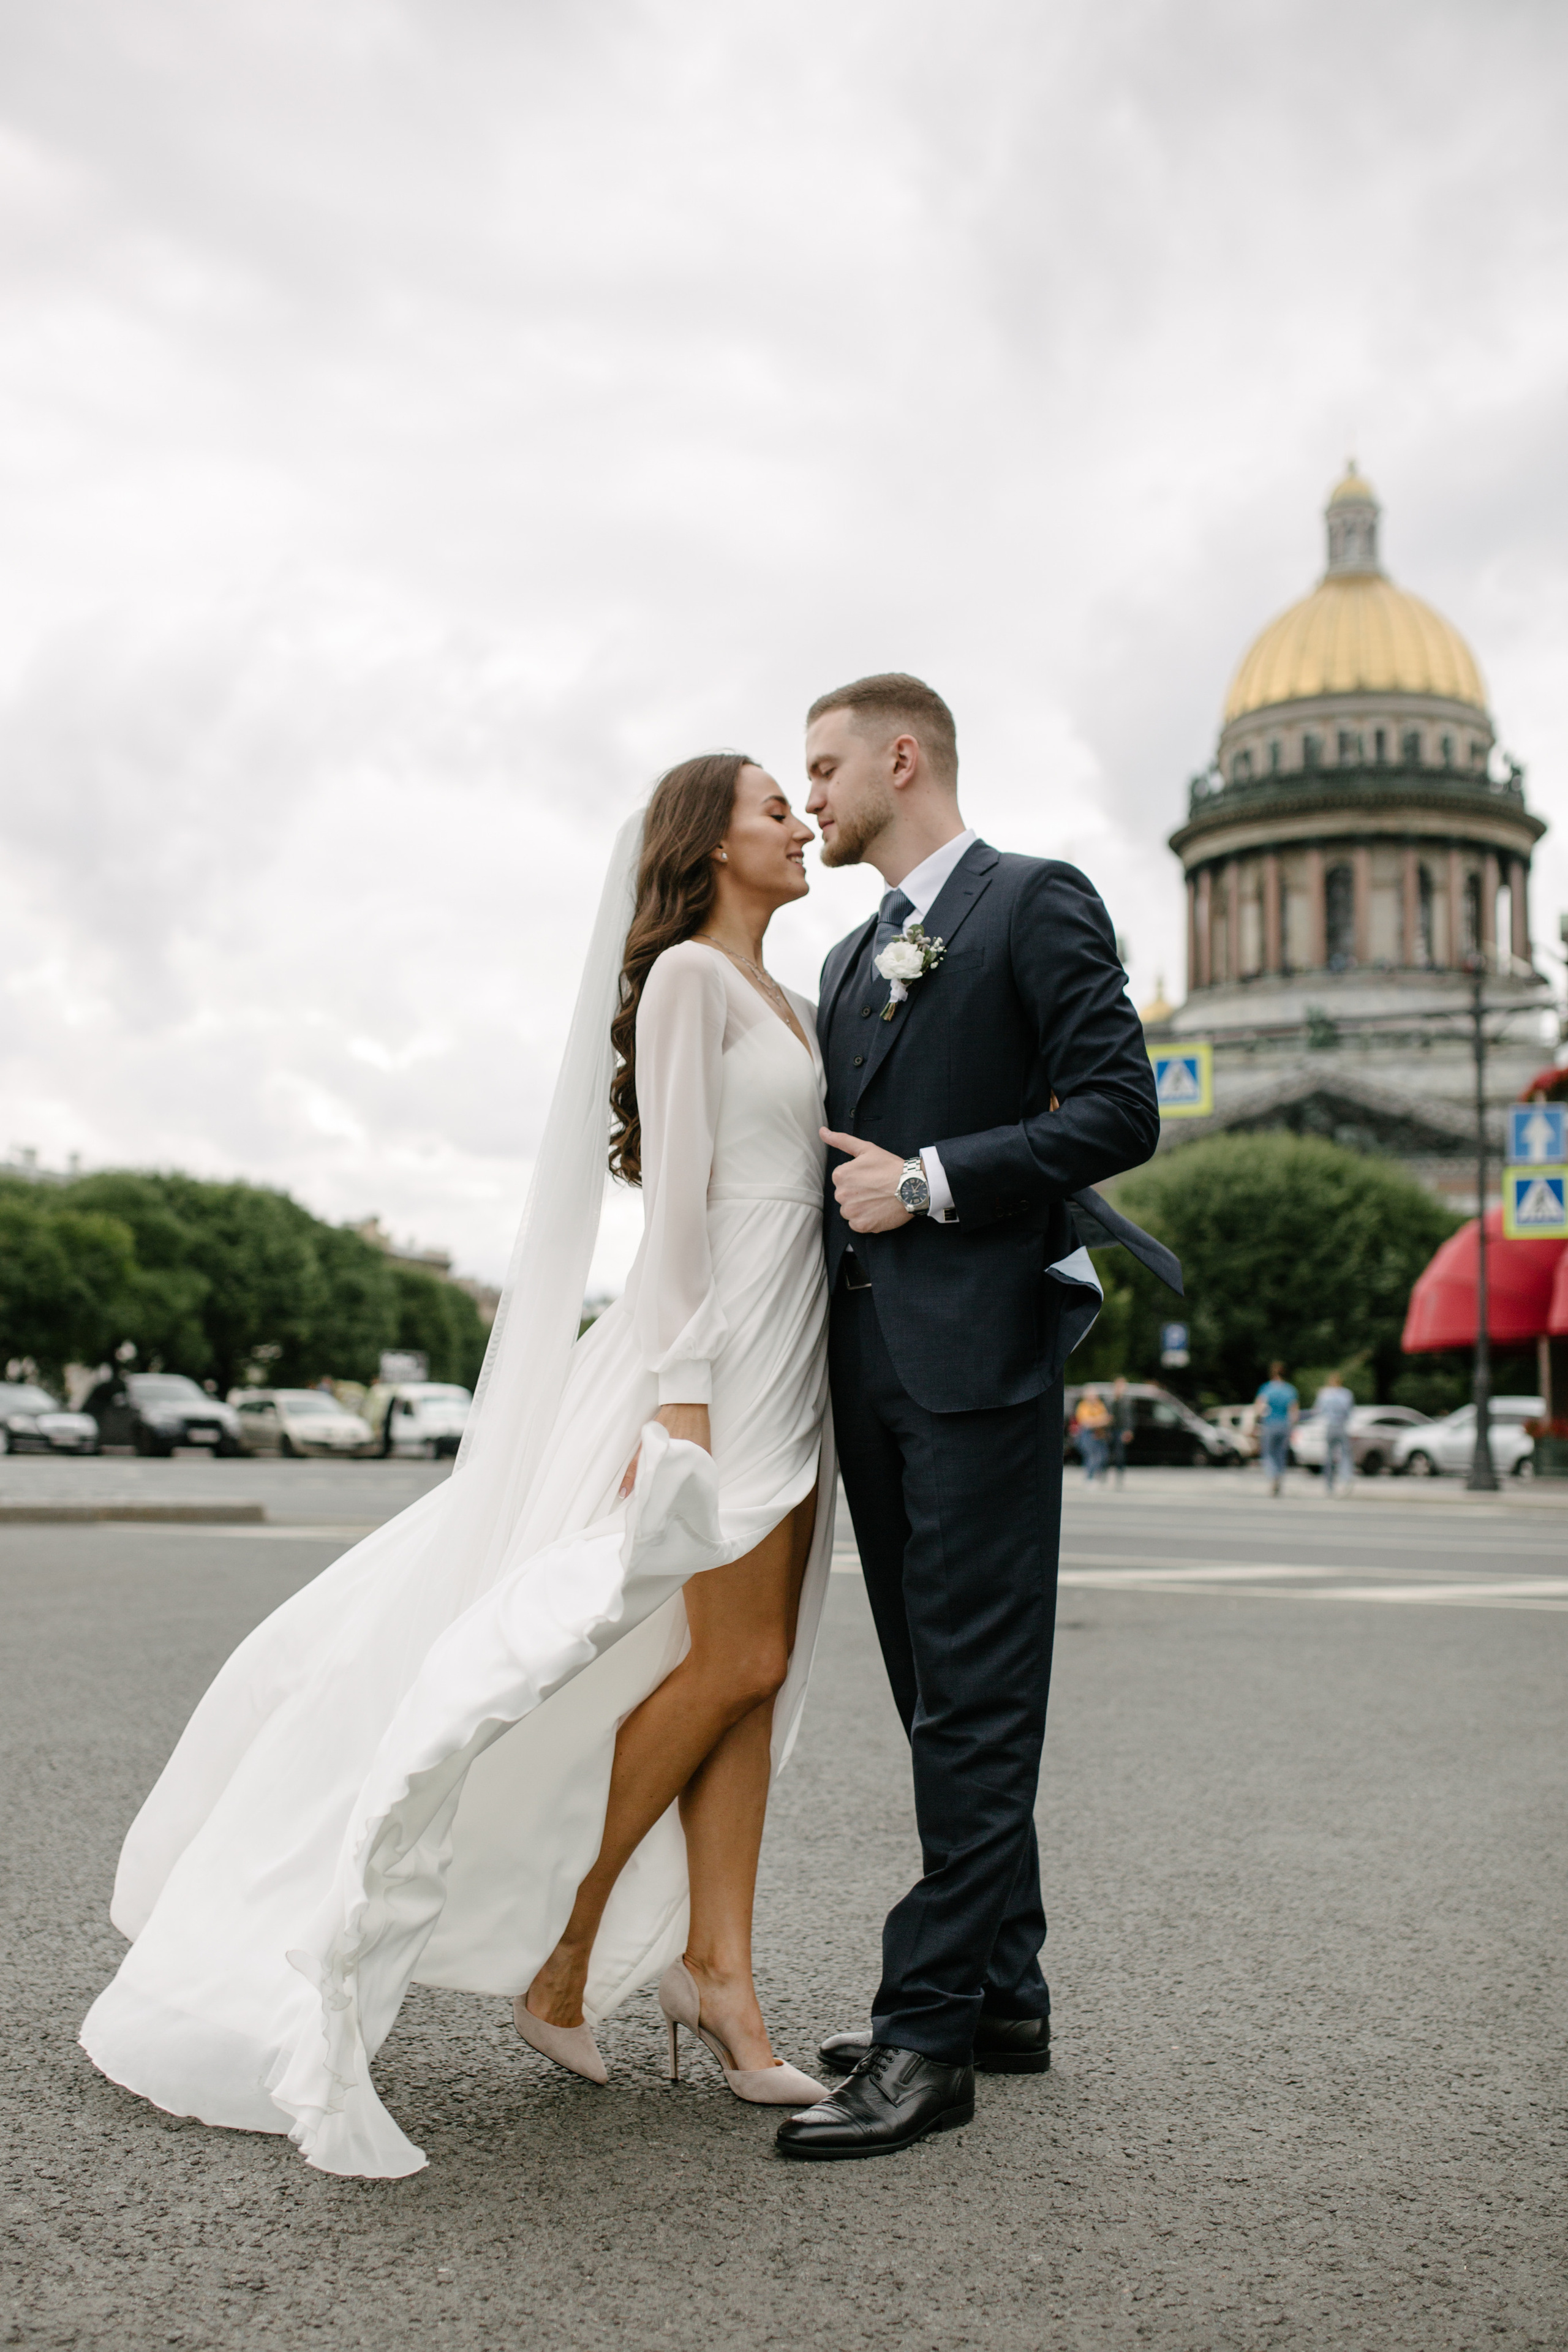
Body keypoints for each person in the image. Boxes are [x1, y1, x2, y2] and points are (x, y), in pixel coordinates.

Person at [80, 752, 834, 2178]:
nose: (798, 822)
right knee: (728, 1663)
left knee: (751, 1668)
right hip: (718, 1361)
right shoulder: (684, 977)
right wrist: (677, 1400)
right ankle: (565, 1957)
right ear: (706, 842)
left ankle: (717, 1973)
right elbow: (672, 1205)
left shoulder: (784, 995)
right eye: (770, 808)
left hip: (790, 1359)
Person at [778, 672, 1175, 2164]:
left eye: (821, 765)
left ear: (901, 757)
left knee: (976, 1700)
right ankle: (1005, 1990)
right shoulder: (841, 959)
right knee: (928, 1687)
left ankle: (926, 2031)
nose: (807, 791)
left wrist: (930, 1176)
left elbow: (1117, 1106)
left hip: (981, 1369)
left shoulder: (1031, 901)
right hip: (868, 1369)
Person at [1255, 1360, 1299, 1496]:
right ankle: (1279, 1477)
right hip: (1284, 1426)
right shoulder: (1290, 1390)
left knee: (1269, 1454)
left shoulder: (1267, 1389)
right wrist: (1292, 1427)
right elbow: (1294, 1413)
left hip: (1270, 1425)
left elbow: (1258, 1408)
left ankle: (1273, 1476)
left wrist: (1258, 1421)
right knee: (1281, 1454)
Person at [1316, 1371, 1355, 1495]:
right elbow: (1350, 1412)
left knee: (1329, 1456)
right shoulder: (1347, 1394)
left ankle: (1329, 1485)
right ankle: (1346, 1480)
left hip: (1330, 1426)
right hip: (1342, 1426)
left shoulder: (1325, 1394)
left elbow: (1319, 1410)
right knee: (1345, 1455)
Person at [1072, 1389, 1111, 1483]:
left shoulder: (1099, 1405)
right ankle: (1089, 1477)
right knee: (1091, 1455)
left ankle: (1097, 1475)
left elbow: (1107, 1418)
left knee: (1103, 1455)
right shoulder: (1083, 1406)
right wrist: (1099, 1421)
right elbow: (1086, 1422)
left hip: (1099, 1433)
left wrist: (1097, 1421)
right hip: (1087, 1434)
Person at [1110, 1374, 1134, 1485]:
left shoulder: (1127, 1400)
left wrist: (1129, 1430)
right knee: (1107, 1454)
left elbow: (1130, 1417)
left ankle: (1119, 1477)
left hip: (1121, 1430)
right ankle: (1103, 1475)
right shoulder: (1111, 1399)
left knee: (1120, 1455)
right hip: (1111, 1430)